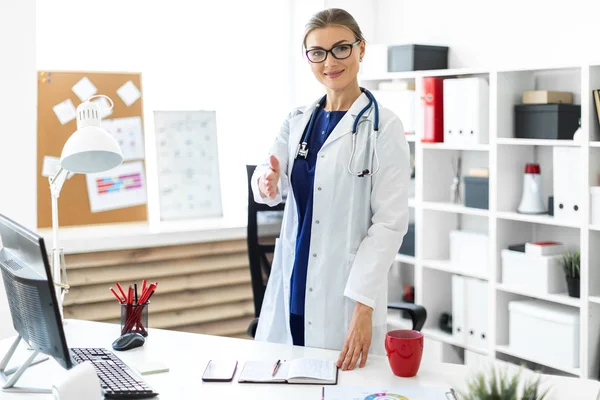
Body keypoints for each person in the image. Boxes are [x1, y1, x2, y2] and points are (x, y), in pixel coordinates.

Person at [250, 8, 410, 372]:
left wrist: (363, 307)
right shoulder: (297, 121)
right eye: (317, 52)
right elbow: (270, 175)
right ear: (308, 59)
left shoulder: (383, 128)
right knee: (289, 380)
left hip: (346, 293)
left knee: (343, 385)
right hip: (295, 278)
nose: (329, 61)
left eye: (341, 48)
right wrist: (266, 180)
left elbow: (388, 225)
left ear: (360, 49)